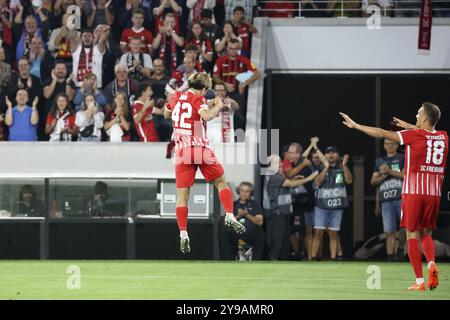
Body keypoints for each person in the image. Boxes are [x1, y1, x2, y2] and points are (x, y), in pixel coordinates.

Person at [340, 102, 448, 291]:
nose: (416, 116)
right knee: (427, 234)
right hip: (433, 194)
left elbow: (381, 133)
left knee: (411, 234)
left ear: (424, 118)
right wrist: (410, 126)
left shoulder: (412, 136)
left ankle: (420, 282)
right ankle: (431, 263)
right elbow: (427, 132)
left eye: (418, 113)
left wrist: (356, 126)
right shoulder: (443, 137)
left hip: (414, 192)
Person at [164, 72, 247, 254]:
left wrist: (204, 105)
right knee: (220, 182)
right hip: (199, 147)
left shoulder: (177, 96)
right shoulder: (198, 99)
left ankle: (183, 233)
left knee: (182, 196)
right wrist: (217, 105)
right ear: (204, 88)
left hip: (182, 150)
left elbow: (166, 112)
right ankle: (230, 215)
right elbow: (207, 116)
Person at [263, 154, 319, 260]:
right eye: (278, 163)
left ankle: (281, 259)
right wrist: (309, 178)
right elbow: (290, 184)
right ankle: (273, 259)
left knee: (284, 238)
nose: (281, 165)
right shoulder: (273, 177)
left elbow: (287, 182)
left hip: (282, 212)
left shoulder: (274, 176)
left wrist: (294, 178)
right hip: (276, 213)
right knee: (277, 240)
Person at [311, 146, 353, 260]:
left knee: (333, 234)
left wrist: (344, 165)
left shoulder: (341, 167)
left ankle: (333, 258)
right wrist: (325, 168)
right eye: (328, 153)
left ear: (337, 155)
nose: (331, 155)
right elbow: (317, 183)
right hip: (321, 206)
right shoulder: (319, 167)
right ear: (325, 155)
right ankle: (313, 258)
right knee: (318, 232)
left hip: (337, 206)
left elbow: (349, 180)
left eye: (333, 153)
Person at [370, 139, 405, 261]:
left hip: (402, 198)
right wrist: (384, 175)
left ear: (396, 145)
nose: (390, 145)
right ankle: (390, 256)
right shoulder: (380, 161)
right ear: (384, 146)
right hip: (386, 200)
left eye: (392, 143)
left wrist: (390, 171)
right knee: (389, 230)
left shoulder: (402, 158)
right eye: (387, 143)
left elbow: (405, 176)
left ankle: (401, 249)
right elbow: (373, 182)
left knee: (405, 227)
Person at [220, 181, 266, 260]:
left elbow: (260, 222)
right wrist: (238, 216)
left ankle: (257, 260)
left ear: (250, 193)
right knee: (223, 231)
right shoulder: (233, 205)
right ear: (238, 191)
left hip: (251, 234)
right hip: (235, 233)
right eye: (242, 191)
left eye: (247, 191)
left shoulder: (255, 204)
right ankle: (228, 259)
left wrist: (246, 215)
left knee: (261, 234)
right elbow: (226, 223)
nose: (244, 193)